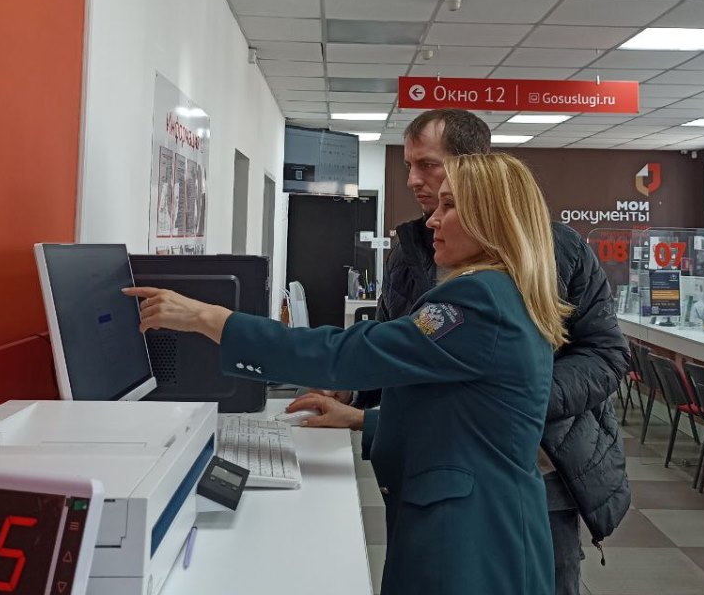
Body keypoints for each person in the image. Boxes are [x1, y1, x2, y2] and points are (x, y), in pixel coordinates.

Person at [126, 154, 564, 595]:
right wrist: (359, 420)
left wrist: (211, 319)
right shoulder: (503, 294)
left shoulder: (479, 299)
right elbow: (470, 418)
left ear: (490, 219)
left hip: (473, 539)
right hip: (484, 525)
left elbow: (350, 355)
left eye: (449, 206)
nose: (432, 219)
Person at [290, 109, 630, 594]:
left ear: (473, 166)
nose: (413, 180)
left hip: (537, 469)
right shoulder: (413, 247)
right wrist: (351, 388)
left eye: (427, 165)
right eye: (409, 166)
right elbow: (394, 342)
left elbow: (607, 355)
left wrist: (517, 400)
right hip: (431, 463)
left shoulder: (562, 251)